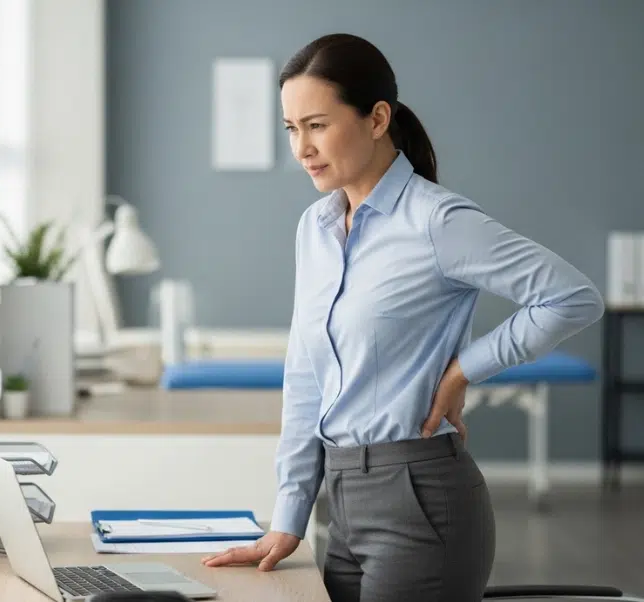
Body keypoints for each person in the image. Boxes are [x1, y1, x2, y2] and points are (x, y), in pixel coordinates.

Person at [201, 33, 605, 602]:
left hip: (421, 501)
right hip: (341, 504)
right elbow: (305, 378)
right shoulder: (314, 229)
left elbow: (573, 296)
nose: (301, 148)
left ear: (377, 118)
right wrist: (288, 516)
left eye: (317, 125)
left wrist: (464, 369)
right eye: (291, 129)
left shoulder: (437, 222)